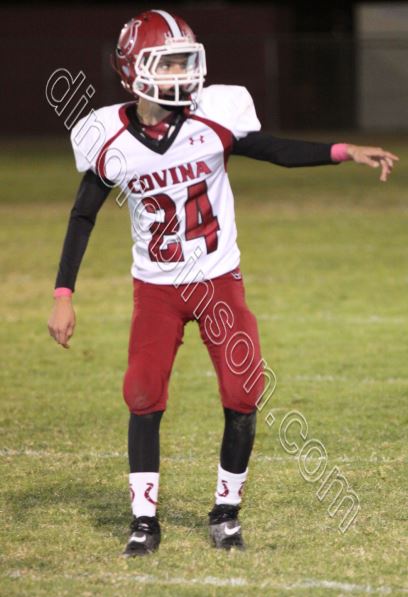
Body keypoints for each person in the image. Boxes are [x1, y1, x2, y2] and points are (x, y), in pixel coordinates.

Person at [48, 9, 398, 556]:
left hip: (217, 281)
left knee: (243, 391)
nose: (181, 74)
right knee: (142, 392)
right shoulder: (108, 136)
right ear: (132, 70)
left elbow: (275, 150)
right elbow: (82, 215)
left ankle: (226, 512)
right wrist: (63, 294)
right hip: (156, 288)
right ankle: (144, 520)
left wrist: (343, 151)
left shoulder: (212, 116)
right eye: (167, 64)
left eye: (183, 61)